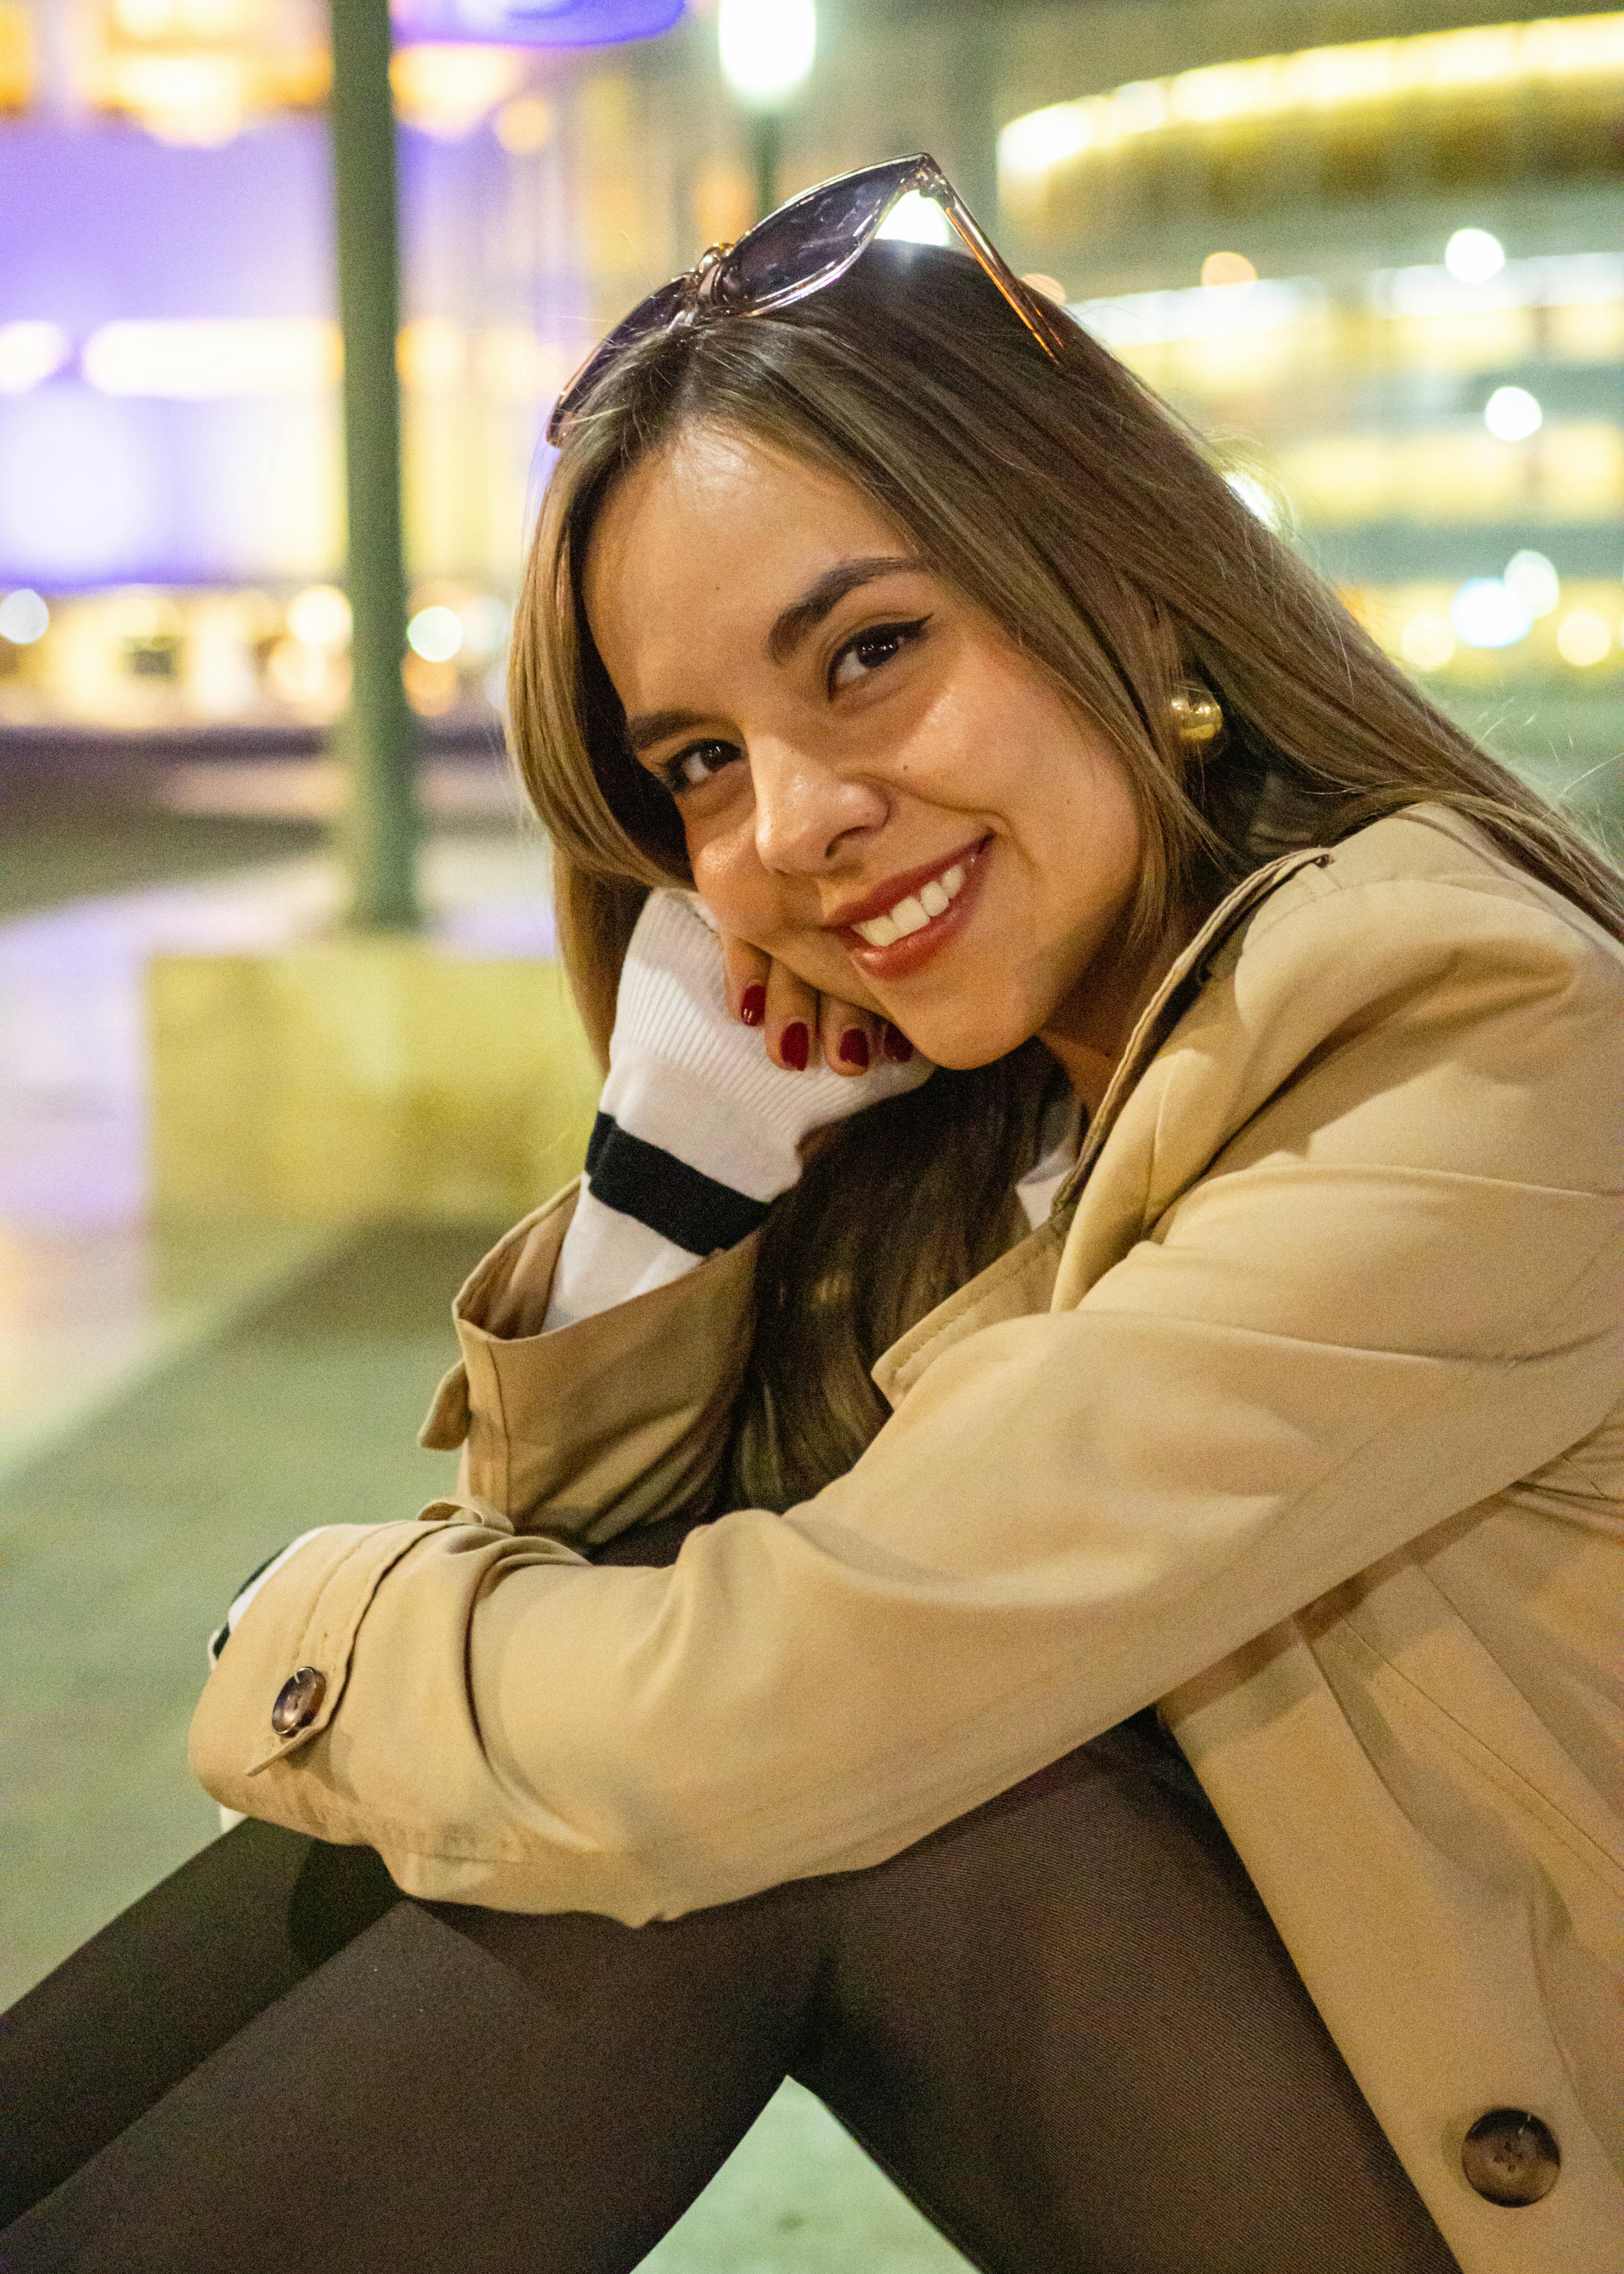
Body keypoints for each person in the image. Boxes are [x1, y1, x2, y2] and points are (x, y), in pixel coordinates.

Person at [3, 156, 1620, 2274]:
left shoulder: (1467, 1031)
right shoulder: (1010, 1108)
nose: (793, 829)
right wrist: (677, 1166)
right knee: (697, 1768)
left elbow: (726, 1728)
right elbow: (570, 1651)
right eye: (696, 763)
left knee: (813, 1811)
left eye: (867, 653)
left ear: (1124, 590)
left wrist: (296, 1637)